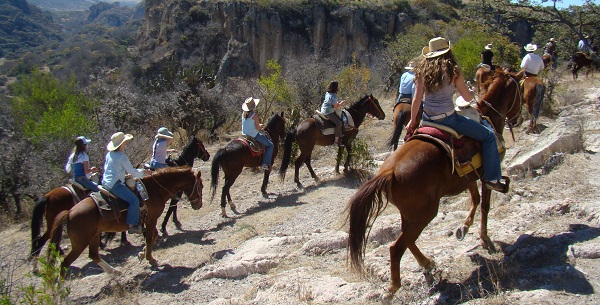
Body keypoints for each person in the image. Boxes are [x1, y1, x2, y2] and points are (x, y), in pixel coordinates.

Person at [405, 37, 506, 192]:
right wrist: (472, 92)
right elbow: (467, 98)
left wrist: (413, 122)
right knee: (488, 136)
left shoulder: (421, 72)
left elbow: (416, 99)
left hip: (427, 120)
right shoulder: (453, 71)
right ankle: (492, 178)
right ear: (448, 52)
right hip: (449, 119)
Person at [102, 132, 152, 234]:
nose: (126, 143)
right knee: (134, 200)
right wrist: (144, 173)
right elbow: (132, 171)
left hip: (105, 182)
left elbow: (108, 169)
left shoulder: (109, 154)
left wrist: (121, 176)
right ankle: (131, 225)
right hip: (115, 185)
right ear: (121, 144)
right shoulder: (122, 156)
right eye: (125, 142)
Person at [241, 97, 274, 171]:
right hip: (253, 135)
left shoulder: (243, 114)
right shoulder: (254, 115)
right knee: (270, 145)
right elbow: (258, 128)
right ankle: (265, 164)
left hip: (244, 134)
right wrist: (261, 126)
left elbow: (249, 124)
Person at [321, 81, 346, 147]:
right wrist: (341, 103)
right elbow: (336, 107)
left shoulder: (327, 93)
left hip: (323, 109)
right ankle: (336, 141)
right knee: (339, 123)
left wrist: (338, 103)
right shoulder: (334, 96)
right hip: (328, 111)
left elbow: (332, 103)